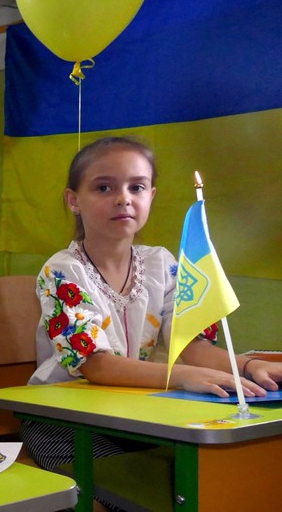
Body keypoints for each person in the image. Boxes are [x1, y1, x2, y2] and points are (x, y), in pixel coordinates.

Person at [22, 136, 282, 472]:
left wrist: (245, 367)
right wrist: (184, 377)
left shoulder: (162, 263)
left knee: (208, 474)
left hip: (135, 413)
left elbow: (192, 345)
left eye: (137, 187)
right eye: (104, 188)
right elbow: (96, 366)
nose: (123, 199)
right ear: (74, 200)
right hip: (64, 422)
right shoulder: (63, 270)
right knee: (132, 487)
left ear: (151, 196)